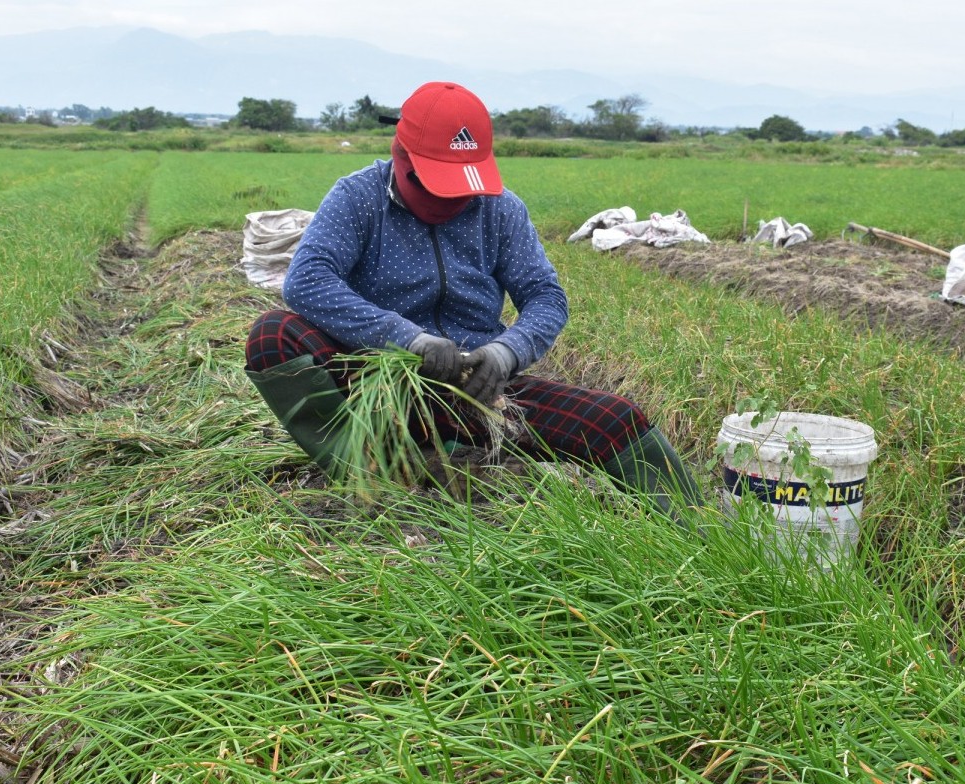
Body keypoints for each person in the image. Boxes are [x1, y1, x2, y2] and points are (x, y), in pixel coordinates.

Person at [244, 81, 701, 518]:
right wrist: (408, 340)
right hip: (379, 386)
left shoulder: (501, 209)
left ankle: (699, 523)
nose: (453, 201)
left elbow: (546, 297)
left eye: (464, 187)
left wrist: (504, 354)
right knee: (273, 335)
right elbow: (306, 281)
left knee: (614, 419)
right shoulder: (358, 198)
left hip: (479, 391)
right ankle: (379, 468)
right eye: (436, 185)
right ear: (401, 157)